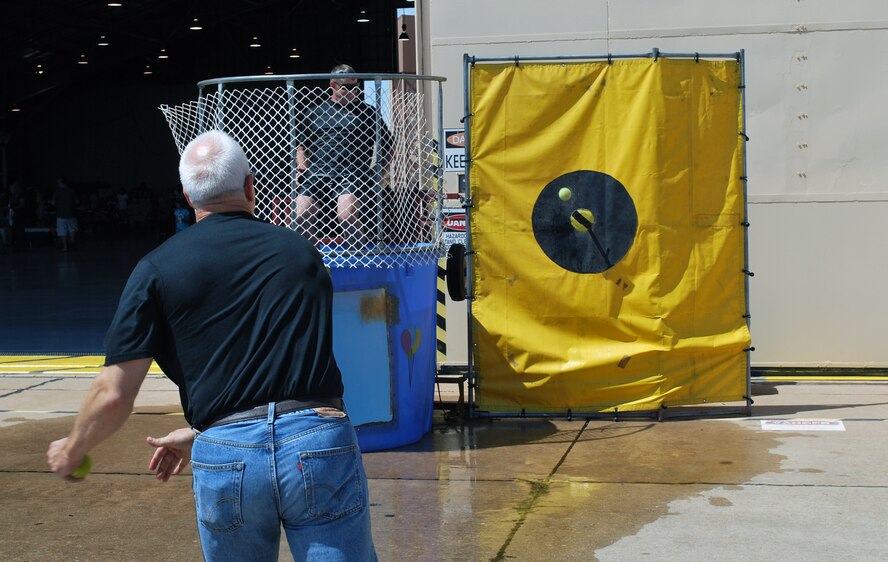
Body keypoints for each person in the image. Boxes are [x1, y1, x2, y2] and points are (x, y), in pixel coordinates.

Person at [46, 130, 377, 561]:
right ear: (249, 187)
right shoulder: (300, 253)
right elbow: (276, 366)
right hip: (317, 439)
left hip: (227, 453)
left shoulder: (156, 269)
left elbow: (113, 394)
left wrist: (72, 449)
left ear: (186, 194)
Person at [295, 64, 392, 246]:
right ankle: (311, 262)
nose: (352, 91)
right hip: (318, 173)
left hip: (352, 174)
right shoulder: (316, 113)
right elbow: (301, 147)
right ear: (333, 85)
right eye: (346, 87)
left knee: (346, 216)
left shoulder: (367, 113)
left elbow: (388, 145)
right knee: (301, 216)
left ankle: (360, 260)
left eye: (355, 86)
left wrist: (379, 171)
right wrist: (301, 167)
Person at [52, 178, 78, 251]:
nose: (58, 184)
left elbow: (53, 203)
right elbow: (77, 201)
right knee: (72, 230)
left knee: (62, 231)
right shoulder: (72, 191)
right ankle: (72, 243)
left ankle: (65, 247)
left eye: (58, 182)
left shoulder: (57, 192)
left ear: (62, 183)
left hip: (61, 215)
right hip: (71, 214)